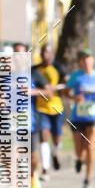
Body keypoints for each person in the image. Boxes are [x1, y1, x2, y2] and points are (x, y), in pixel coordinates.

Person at [65, 49, 95, 188]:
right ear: (81, 63)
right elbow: (65, 92)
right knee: (79, 149)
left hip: (94, 117)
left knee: (90, 147)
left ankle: (88, 179)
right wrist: (74, 97)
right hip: (78, 117)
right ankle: (79, 159)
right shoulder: (76, 76)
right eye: (84, 60)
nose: (86, 62)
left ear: (92, 61)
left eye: (89, 59)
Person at [32, 44, 66, 180]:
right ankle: (45, 170)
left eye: (48, 52)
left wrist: (56, 87)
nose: (45, 55)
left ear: (52, 54)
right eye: (43, 52)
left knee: (56, 137)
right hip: (41, 108)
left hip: (57, 107)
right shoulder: (34, 70)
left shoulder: (58, 68)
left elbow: (67, 84)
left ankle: (56, 151)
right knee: (43, 136)